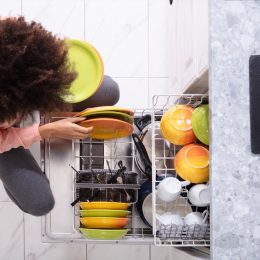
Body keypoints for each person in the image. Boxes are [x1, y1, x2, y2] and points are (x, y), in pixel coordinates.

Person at [0, 17, 119, 216]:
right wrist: (49, 129)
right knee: (39, 203)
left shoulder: (7, 40)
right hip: (4, 138)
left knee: (110, 91)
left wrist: (50, 76)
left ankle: (33, 102)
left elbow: (35, 50)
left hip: (26, 91)